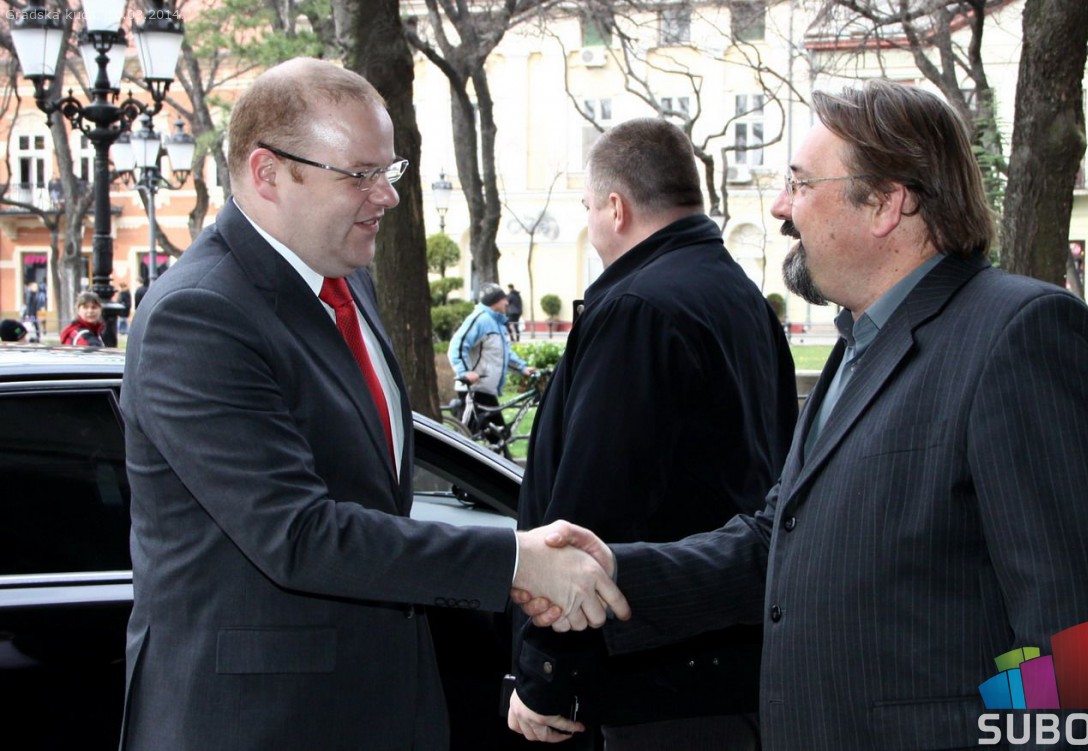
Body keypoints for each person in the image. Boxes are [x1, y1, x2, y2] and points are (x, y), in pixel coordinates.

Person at [524, 80, 1088, 750]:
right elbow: (776, 542)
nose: (780, 207)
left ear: (885, 203)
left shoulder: (1023, 336)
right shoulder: (861, 342)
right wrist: (613, 570)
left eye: (799, 183)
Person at [118, 57, 626, 751]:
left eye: (390, 170)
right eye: (360, 174)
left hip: (381, 702)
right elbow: (298, 534)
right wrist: (515, 562)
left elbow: (372, 498)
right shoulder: (199, 313)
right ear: (267, 173)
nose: (385, 196)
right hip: (259, 722)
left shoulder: (346, 279)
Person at [506, 118, 798, 750]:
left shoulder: (639, 308)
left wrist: (544, 675)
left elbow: (592, 509)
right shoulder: (740, 295)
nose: (591, 224)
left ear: (616, 208)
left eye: (588, 208)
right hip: (728, 656)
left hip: (656, 676)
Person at [448, 282, 533, 440]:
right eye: (503, 299)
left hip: (485, 391)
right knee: (462, 440)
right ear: (494, 301)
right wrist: (465, 372)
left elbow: (503, 354)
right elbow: (456, 346)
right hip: (473, 392)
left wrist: (523, 368)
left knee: (499, 439)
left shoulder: (496, 323)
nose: (507, 302)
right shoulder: (480, 319)